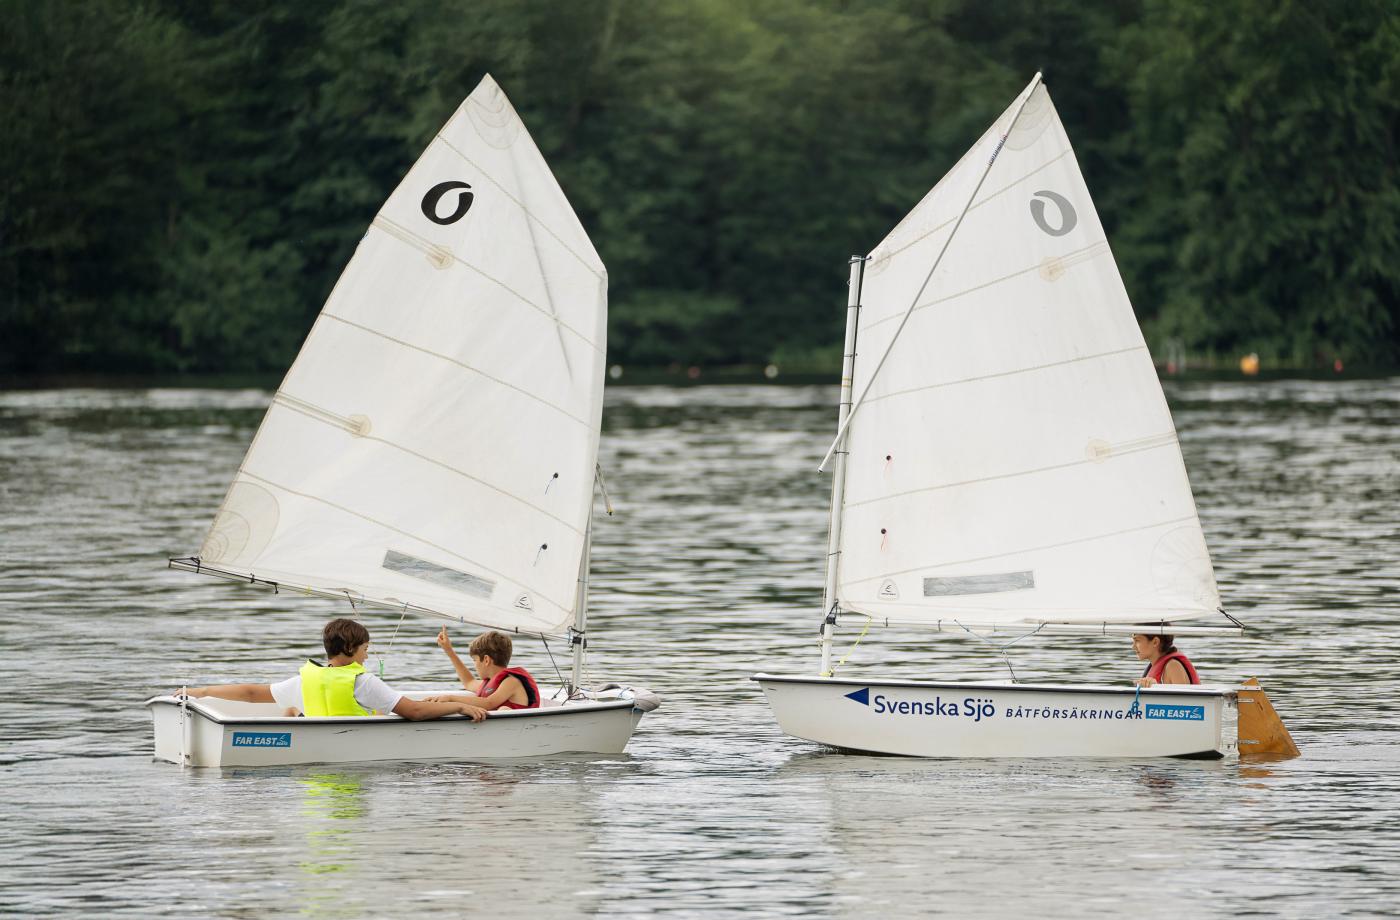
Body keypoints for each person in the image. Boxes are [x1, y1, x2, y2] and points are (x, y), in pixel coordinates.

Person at [179, 617, 487, 721]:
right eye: (366, 650)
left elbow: (250, 693)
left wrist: (200, 691)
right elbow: (416, 713)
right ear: (351, 650)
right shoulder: (362, 681)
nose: (367, 658)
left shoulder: (306, 677)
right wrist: (456, 705)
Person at [431, 627, 540, 710]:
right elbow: (468, 682)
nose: (474, 665)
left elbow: (488, 703)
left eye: (475, 660)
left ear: (486, 660)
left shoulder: (511, 682)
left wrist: (451, 698)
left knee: (504, 710)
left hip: (520, 729)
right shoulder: (489, 684)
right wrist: (449, 651)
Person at [1132, 630, 1201, 687]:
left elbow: (1185, 702)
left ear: (1155, 642)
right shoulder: (1153, 667)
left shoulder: (1173, 666)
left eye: (1137, 640)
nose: (1133, 647)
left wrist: (1156, 687)